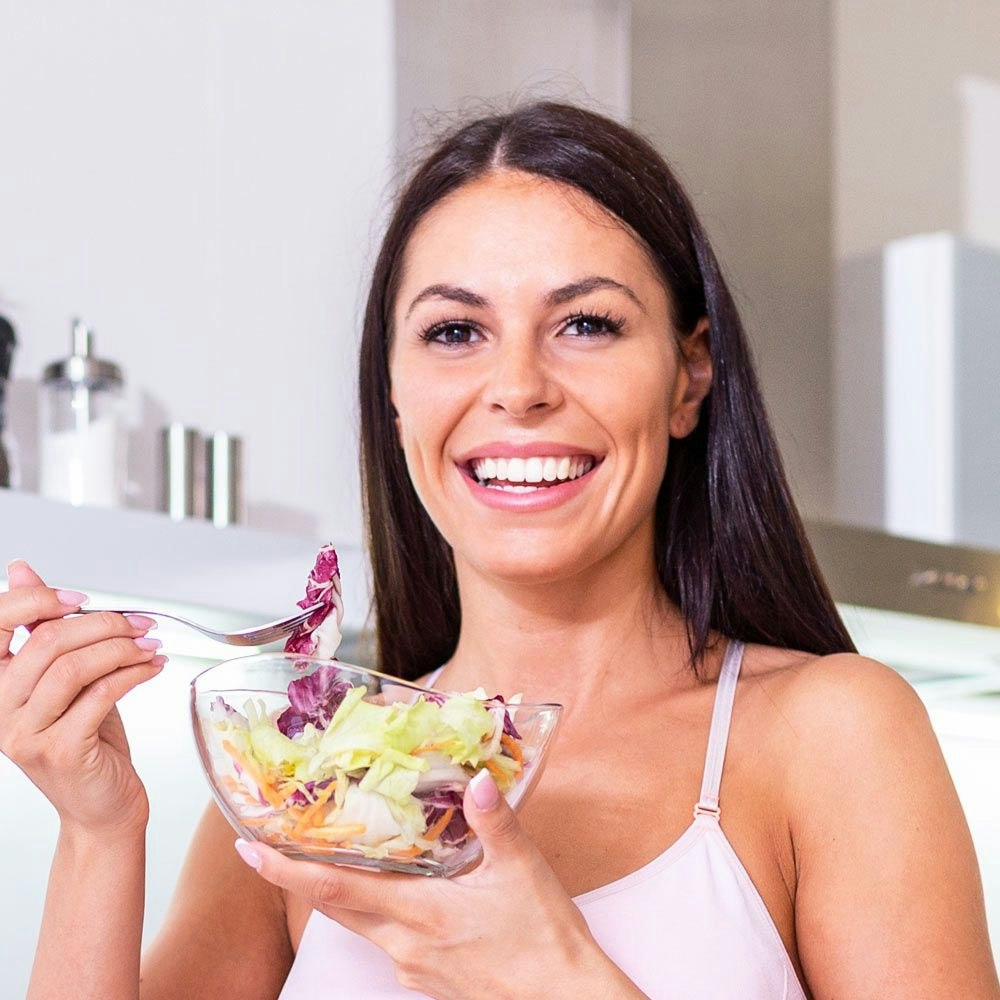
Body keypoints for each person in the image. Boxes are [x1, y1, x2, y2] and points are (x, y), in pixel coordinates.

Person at [2, 101, 997, 1000]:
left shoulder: (832, 737)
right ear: (393, 392)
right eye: (454, 332)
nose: (518, 387)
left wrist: (552, 975)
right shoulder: (308, 777)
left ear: (689, 377)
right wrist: (98, 831)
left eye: (586, 323)